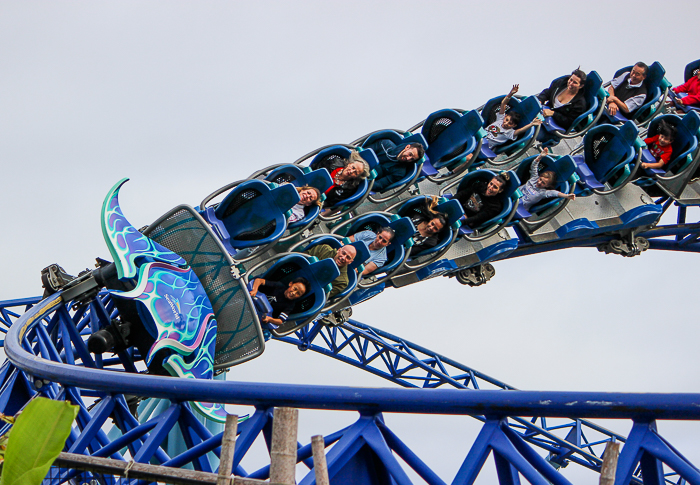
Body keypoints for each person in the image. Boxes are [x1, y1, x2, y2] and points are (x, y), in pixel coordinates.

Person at [466, 85, 542, 162]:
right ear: (505, 116)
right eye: (507, 120)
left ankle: (454, 171)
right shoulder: (501, 118)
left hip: (483, 146)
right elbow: (503, 103)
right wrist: (510, 94)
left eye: (510, 123)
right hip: (477, 138)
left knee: (468, 158)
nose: (506, 123)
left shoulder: (509, 132)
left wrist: (531, 124)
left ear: (514, 125)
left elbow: (520, 131)